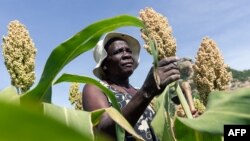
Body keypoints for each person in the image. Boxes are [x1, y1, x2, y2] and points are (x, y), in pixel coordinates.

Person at [82, 32, 180, 141]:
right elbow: (103, 132)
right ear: (104, 64)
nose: (127, 55)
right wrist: (146, 91)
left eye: (128, 51)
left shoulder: (138, 91)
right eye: (118, 52)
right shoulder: (96, 88)